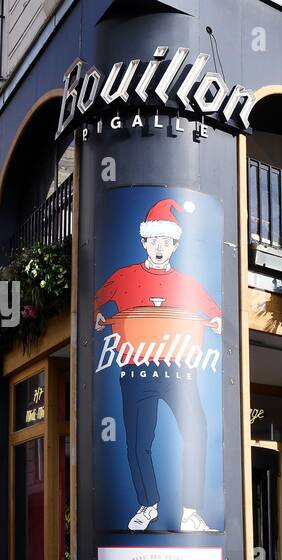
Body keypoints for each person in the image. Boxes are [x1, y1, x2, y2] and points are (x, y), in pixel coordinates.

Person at [94, 197, 222, 533]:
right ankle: (147, 504)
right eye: (154, 241)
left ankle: (190, 511)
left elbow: (213, 308)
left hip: (178, 368)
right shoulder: (123, 276)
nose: (160, 247)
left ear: (176, 245)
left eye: (167, 242)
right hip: (136, 368)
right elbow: (95, 299)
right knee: (138, 442)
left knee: (197, 433)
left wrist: (218, 318)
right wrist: (97, 313)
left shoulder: (185, 282)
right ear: (144, 242)